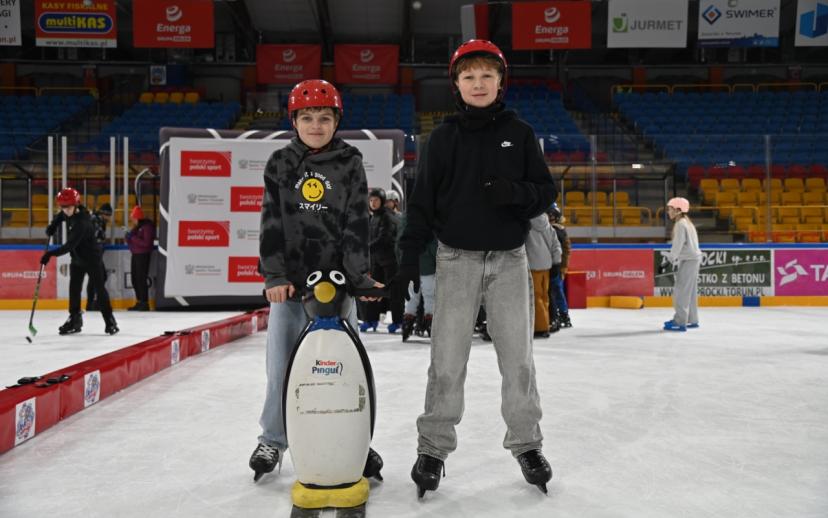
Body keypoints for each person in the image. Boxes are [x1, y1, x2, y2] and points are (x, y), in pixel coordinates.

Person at [397, 39, 557, 496]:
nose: (478, 83)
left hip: (509, 260)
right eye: (469, 76)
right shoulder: (443, 138)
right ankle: (433, 448)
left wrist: (513, 193)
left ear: (501, 81)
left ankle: (527, 444)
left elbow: (545, 192)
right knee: (447, 361)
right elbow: (422, 204)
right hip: (456, 260)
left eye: (487, 75)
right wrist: (408, 257)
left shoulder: (520, 133)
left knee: (518, 361)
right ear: (457, 84)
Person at [252, 79, 384, 483]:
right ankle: (273, 439)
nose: (315, 125)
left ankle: (357, 439)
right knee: (282, 367)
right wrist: (275, 275)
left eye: (324, 118)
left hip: (337, 286)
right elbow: (271, 222)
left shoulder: (350, 161)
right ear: (294, 121)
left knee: (347, 366)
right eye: (307, 117)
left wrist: (358, 278)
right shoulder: (280, 162)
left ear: (336, 121)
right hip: (292, 286)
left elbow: (356, 222)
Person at [42, 188, 118, 335]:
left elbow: (69, 245)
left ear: (76, 204)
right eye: (63, 207)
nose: (65, 210)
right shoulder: (68, 212)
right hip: (77, 258)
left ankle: (110, 321)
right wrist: (53, 225)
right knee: (74, 289)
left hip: (92, 259)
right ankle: (75, 319)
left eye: (68, 207)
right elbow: (61, 216)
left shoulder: (82, 222)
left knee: (100, 289)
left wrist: (50, 254)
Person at [360, 187, 402, 333]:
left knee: (394, 292)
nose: (373, 203)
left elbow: (385, 238)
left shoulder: (388, 216)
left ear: (382, 200)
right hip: (376, 260)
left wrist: (367, 248)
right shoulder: (374, 217)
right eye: (371, 200)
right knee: (373, 289)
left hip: (391, 261)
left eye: (376, 200)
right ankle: (371, 320)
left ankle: (398, 321)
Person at [663, 197, 702, 332]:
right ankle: (692, 319)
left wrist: (669, 259)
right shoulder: (688, 223)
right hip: (693, 259)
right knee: (690, 291)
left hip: (689, 260)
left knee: (681, 291)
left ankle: (680, 321)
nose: (668, 211)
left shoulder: (680, 224)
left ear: (678, 210)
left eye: (670, 209)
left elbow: (678, 245)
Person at [526, 213, 561, 339]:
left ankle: (540, 328)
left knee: (535, 298)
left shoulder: (526, 224)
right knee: (545, 297)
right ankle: (545, 323)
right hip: (547, 265)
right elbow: (556, 245)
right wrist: (556, 262)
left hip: (532, 265)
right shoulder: (547, 226)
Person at [124, 205, 155, 311]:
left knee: (141, 279)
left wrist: (132, 237)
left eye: (133, 218)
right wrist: (128, 237)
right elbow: (132, 241)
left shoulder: (147, 227)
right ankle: (139, 301)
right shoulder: (137, 227)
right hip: (136, 254)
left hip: (143, 255)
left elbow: (146, 243)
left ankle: (144, 303)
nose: (132, 220)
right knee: (135, 279)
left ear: (138, 218)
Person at [548, 203, 571, 330]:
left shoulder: (557, 231)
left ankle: (562, 314)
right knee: (555, 291)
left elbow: (565, 251)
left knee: (556, 290)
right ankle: (560, 314)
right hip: (554, 265)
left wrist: (563, 267)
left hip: (555, 266)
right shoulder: (558, 230)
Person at [86, 202, 112, 311]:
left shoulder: (99, 221)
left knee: (98, 277)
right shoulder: (95, 220)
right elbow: (96, 238)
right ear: (104, 214)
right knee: (98, 277)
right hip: (92, 254)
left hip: (94, 253)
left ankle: (92, 303)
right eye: (108, 215)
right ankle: (92, 303)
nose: (109, 218)